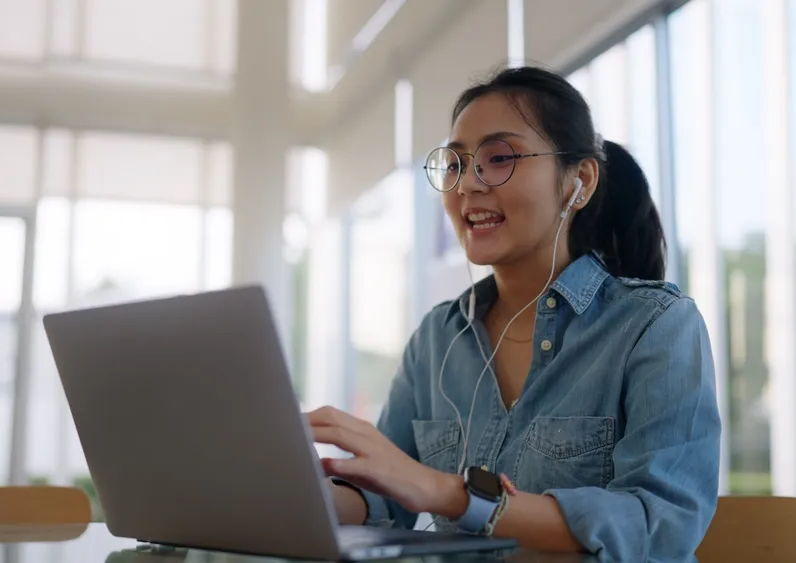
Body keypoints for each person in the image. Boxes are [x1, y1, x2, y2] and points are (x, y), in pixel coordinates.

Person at [307, 66, 722, 561]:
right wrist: (296, 495)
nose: (468, 186)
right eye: (457, 165)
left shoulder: (656, 326)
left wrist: (452, 495)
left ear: (579, 182)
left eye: (498, 158)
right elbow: (384, 497)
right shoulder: (437, 340)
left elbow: (661, 526)